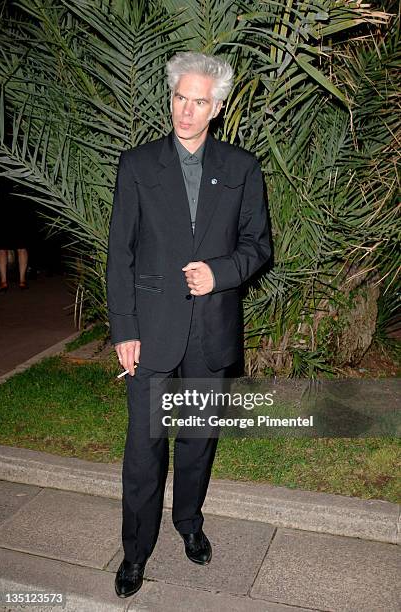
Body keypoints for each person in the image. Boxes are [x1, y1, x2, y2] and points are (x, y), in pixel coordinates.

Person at [106, 51, 271, 599]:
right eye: (180, 96)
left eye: (199, 101)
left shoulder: (243, 168)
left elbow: (258, 247)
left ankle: (189, 524)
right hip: (151, 331)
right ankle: (135, 551)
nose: (187, 109)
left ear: (217, 107)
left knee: (198, 441)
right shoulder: (137, 165)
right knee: (143, 449)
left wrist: (220, 273)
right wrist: (124, 329)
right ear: (171, 96)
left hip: (212, 331)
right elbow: (119, 256)